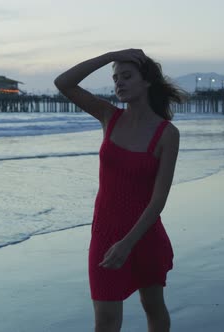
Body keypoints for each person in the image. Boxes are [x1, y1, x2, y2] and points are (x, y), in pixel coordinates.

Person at [54, 49, 184, 332]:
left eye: (127, 76)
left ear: (147, 81)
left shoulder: (167, 134)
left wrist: (127, 243)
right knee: (106, 320)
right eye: (115, 78)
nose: (119, 83)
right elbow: (63, 83)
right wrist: (113, 55)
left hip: (144, 234)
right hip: (104, 234)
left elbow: (158, 200)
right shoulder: (108, 116)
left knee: (153, 307)